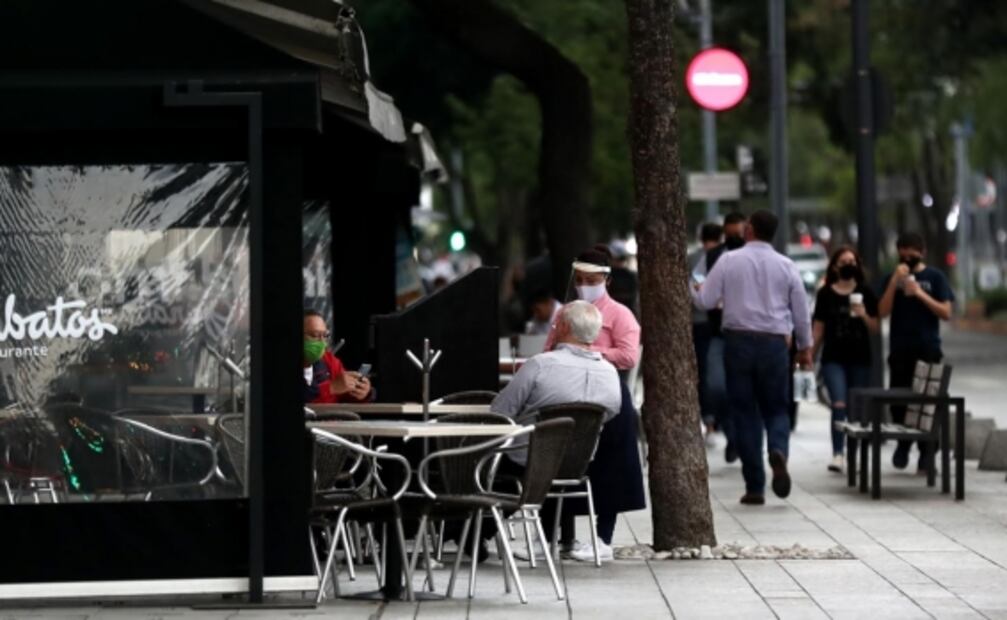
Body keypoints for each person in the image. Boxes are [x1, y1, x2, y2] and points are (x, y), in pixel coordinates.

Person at [692, 210, 812, 505]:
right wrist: (805, 347)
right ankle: (779, 449)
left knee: (745, 413)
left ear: (749, 230)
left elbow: (706, 300)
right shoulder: (787, 265)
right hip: (774, 345)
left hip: (738, 342)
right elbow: (801, 312)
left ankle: (755, 486)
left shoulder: (729, 260)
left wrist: (692, 288)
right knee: (776, 409)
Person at [542, 244, 644, 561]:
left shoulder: (619, 314)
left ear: (606, 280)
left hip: (606, 394)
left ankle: (603, 538)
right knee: (558, 462)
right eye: (581, 280)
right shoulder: (565, 313)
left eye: (592, 280)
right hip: (567, 393)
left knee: (610, 465)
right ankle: (553, 538)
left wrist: (592, 354)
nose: (585, 286)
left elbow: (629, 355)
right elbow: (548, 348)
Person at [878, 232, 954, 473]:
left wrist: (919, 293)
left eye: (912, 251)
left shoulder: (935, 277)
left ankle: (928, 452)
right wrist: (894, 283)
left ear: (922, 252)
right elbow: (882, 312)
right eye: (903, 250)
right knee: (899, 403)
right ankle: (903, 444)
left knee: (930, 404)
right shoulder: (892, 277)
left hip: (928, 349)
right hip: (900, 350)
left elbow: (946, 312)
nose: (907, 256)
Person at [812, 246, 880, 473]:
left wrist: (863, 315)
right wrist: (809, 356)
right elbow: (818, 328)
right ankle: (838, 453)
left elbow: (875, 328)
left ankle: (853, 454)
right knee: (839, 402)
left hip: (860, 358)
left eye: (852, 261)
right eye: (843, 262)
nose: (848, 265)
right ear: (834, 266)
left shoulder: (865, 292)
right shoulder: (825, 294)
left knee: (856, 407)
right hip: (833, 358)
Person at [703, 212, 747, 461]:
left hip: (744, 332)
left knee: (740, 390)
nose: (733, 238)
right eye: (729, 234)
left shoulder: (753, 257)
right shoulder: (714, 256)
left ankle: (736, 438)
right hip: (719, 331)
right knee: (717, 385)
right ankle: (732, 433)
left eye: (737, 234)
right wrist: (702, 291)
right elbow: (699, 279)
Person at [688, 223, 723, 431]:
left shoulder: (692, 259)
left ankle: (708, 417)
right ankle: (718, 417)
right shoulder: (726, 256)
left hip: (699, 320)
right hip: (721, 322)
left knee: (703, 369)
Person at [303, 309, 371, 404]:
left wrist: (360, 392)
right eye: (315, 335)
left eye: (325, 335)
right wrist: (331, 387)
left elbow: (344, 396)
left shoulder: (329, 361)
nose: (322, 342)